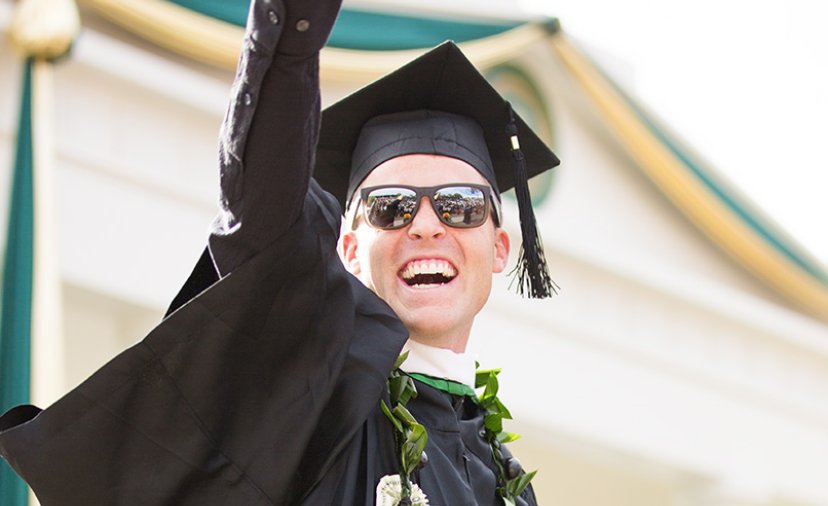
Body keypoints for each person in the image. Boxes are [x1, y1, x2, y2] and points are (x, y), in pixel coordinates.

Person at [0, 0, 559, 504]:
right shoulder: (312, 390)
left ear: (501, 246)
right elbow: (271, 226)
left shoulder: (505, 478)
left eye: (460, 206)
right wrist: (289, 43)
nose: (427, 227)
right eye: (391, 207)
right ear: (348, 248)